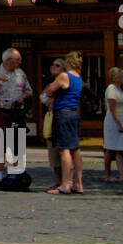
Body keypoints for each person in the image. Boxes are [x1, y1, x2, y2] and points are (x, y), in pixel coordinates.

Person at [0, 48, 33, 188]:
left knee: (17, 145)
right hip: (0, 112)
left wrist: (23, 96)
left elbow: (29, 90)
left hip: (16, 113)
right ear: (8, 60)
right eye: (18, 59)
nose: (20, 62)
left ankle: (16, 175)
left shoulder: (20, 74)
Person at [44, 51, 85, 195]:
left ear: (67, 61)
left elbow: (49, 91)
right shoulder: (78, 78)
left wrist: (51, 87)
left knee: (64, 149)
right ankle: (78, 183)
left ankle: (65, 183)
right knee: (75, 149)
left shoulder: (64, 76)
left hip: (63, 112)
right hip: (73, 112)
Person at [38, 58, 64, 189]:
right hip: (51, 117)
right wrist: (47, 100)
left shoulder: (65, 82)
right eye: (53, 64)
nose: (54, 67)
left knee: (64, 151)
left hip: (62, 118)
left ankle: (67, 180)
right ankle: (58, 180)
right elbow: (42, 96)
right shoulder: (50, 83)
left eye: (58, 65)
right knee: (52, 151)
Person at [102, 66, 123, 183]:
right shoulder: (112, 89)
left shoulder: (119, 89)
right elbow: (112, 109)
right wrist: (119, 124)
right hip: (114, 122)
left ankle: (122, 174)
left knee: (120, 149)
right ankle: (108, 174)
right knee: (110, 148)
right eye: (122, 76)